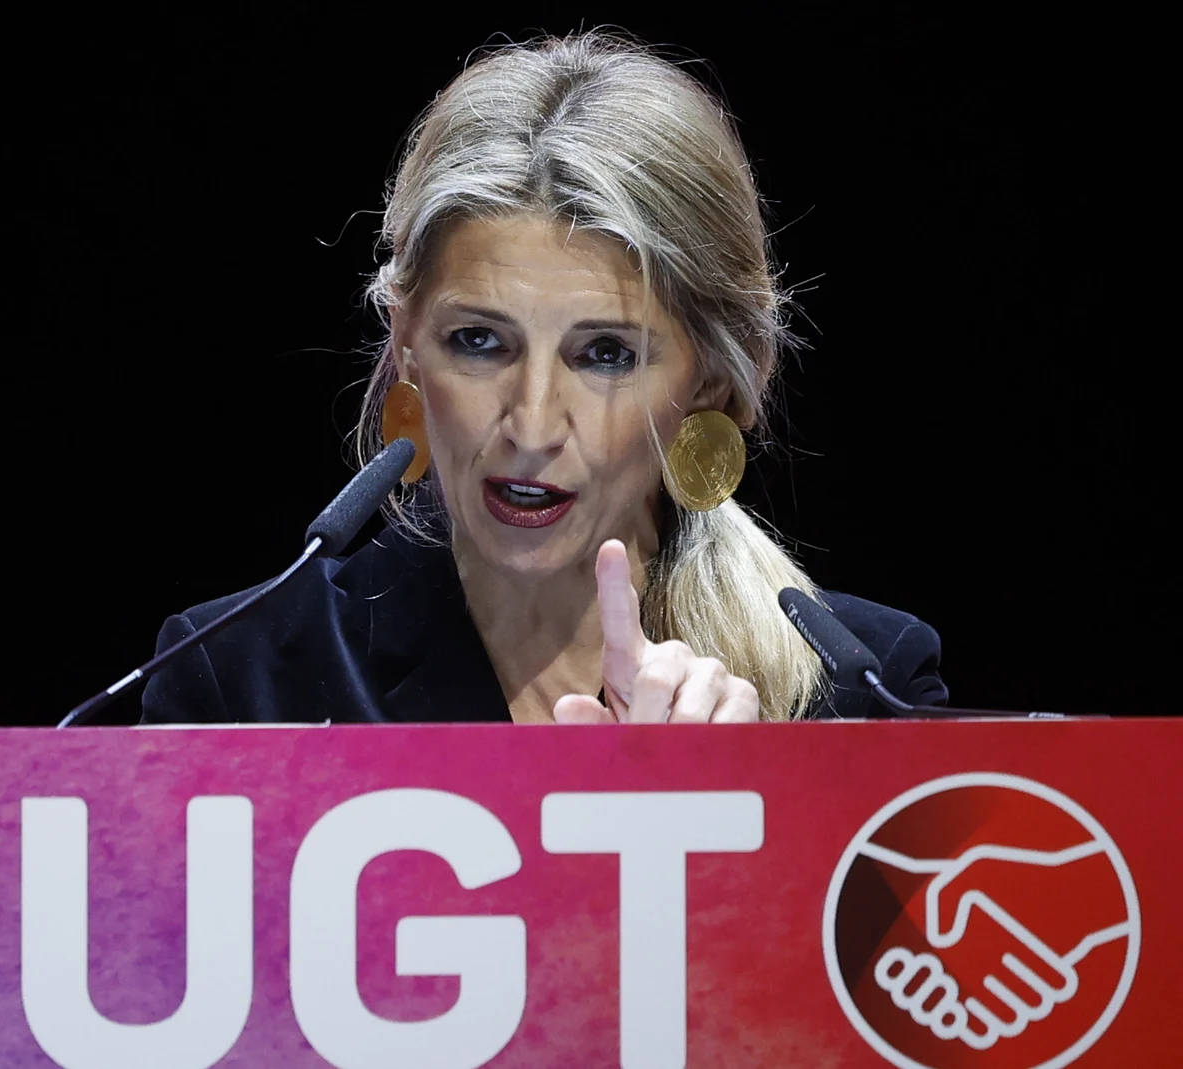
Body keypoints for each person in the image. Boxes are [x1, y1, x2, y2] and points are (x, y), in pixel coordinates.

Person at [141, 31, 946, 727]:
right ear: (409, 342)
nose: (530, 425)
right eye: (480, 341)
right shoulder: (241, 682)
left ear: (711, 383)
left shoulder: (856, 692)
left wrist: (731, 817)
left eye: (605, 354)